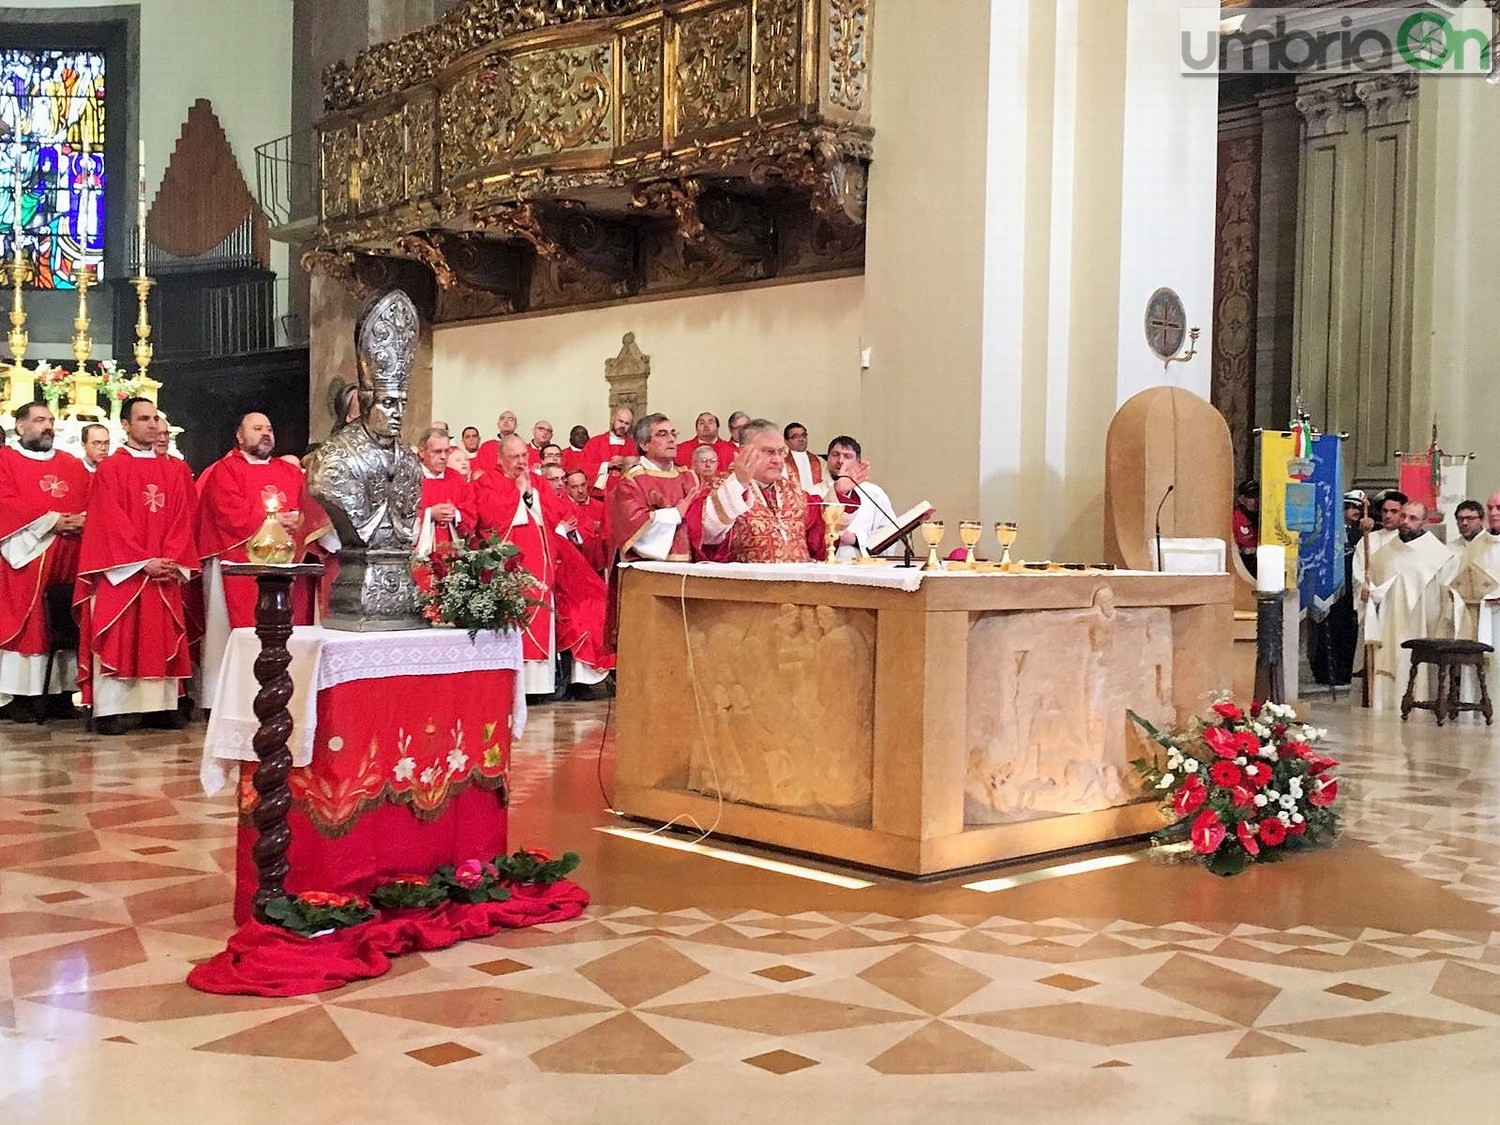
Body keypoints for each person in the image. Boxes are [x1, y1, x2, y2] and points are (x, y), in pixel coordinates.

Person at [74, 396, 199, 735]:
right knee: (122, 634)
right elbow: (107, 521)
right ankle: (115, 709)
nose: (152, 425)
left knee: (161, 634)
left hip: (164, 569)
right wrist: (144, 562)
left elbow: (182, 519)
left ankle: (158, 707)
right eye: (143, 419)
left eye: (155, 418)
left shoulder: (172, 468)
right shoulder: (111, 469)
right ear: (126, 425)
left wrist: (170, 559)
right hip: (125, 573)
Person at [195, 412, 331, 709]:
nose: (265, 434)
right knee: (235, 631)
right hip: (239, 564)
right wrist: (271, 520)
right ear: (240, 437)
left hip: (287, 565)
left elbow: (310, 508)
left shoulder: (290, 471)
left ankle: (286, 694)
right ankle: (229, 701)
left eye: (269, 429)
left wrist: (300, 519)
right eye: (257, 429)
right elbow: (227, 513)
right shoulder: (225, 471)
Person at [473, 435, 613, 698]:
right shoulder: (487, 481)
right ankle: (516, 686)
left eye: (524, 456)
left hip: (541, 565)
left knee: (543, 617)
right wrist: (517, 492)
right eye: (515, 457)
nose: (521, 462)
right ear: (500, 458)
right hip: (511, 568)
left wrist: (529, 494)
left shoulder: (536, 482)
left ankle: (539, 688)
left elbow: (555, 513)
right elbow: (489, 517)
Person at [0, 403, 91, 721]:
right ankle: (20, 697)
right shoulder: (5, 461)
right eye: (39, 421)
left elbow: (91, 498)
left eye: (50, 420)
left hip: (70, 553)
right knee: (31, 623)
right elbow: (4, 503)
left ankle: (62, 695)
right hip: (26, 555)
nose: (47, 426)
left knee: (67, 620)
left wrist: (83, 519)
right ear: (21, 427)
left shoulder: (71, 464)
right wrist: (52, 521)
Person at [1360, 500, 1458, 712]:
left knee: (1421, 670)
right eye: (1403, 516)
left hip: (1424, 624)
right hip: (1390, 626)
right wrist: (1368, 592)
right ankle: (1385, 704)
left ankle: (1423, 704)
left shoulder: (1439, 555)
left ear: (1424, 521)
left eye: (1413, 518)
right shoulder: (1385, 553)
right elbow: (1374, 588)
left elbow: (1448, 597)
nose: (1405, 522)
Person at [690, 419, 826, 563]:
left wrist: (841, 493)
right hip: (748, 583)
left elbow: (823, 533)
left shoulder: (795, 493)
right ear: (743, 452)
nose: (778, 460)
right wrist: (739, 484)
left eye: (781, 452)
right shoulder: (723, 490)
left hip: (797, 583)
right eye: (769, 452)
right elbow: (706, 534)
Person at [608, 414, 700, 564]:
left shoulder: (688, 477)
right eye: (662, 434)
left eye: (673, 433)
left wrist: (737, 484)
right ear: (644, 444)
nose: (671, 439)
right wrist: (676, 514)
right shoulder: (632, 480)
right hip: (649, 573)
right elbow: (633, 527)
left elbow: (707, 526)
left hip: (690, 570)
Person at [1447, 490, 1500, 694]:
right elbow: (1462, 580)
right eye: (1490, 508)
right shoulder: (1477, 545)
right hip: (1479, 616)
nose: (1493, 513)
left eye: (1499, 508)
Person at [1311, 489, 1366, 687]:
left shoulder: (1361, 534)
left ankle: (1344, 671)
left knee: (1348, 633)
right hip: (1332, 588)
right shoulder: (1330, 533)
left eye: (1358, 508)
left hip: (1351, 590)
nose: (1355, 511)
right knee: (1329, 632)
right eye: (1350, 507)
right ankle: (1326, 672)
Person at [823, 435, 901, 560]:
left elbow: (888, 533)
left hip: (865, 567)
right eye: (835, 454)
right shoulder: (813, 492)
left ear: (858, 462)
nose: (840, 460)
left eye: (847, 456)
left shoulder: (874, 493)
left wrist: (856, 539)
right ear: (828, 458)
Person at [415, 426, 476, 555]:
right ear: (422, 452)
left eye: (446, 451)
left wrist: (456, 515)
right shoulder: (409, 477)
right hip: (418, 555)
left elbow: (470, 513)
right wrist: (429, 514)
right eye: (437, 451)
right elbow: (400, 519)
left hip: (451, 555)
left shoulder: (456, 479)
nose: (443, 457)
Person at [580, 405, 637, 498]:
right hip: (598, 496)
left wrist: (627, 462)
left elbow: (642, 468)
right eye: (620, 421)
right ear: (612, 419)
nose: (622, 426)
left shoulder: (633, 445)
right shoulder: (595, 442)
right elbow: (583, 468)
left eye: (627, 423)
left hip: (624, 497)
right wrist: (607, 465)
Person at [783, 422, 826, 495]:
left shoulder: (819, 460)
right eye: (795, 436)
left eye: (803, 435)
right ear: (786, 441)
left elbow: (827, 483)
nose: (801, 439)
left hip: (817, 500)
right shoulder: (781, 461)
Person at [1232, 480, 1258, 576]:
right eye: (1251, 497)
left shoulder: (1265, 514)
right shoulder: (1235, 517)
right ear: (1241, 499)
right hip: (1245, 562)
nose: (1256, 500)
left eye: (1258, 495)